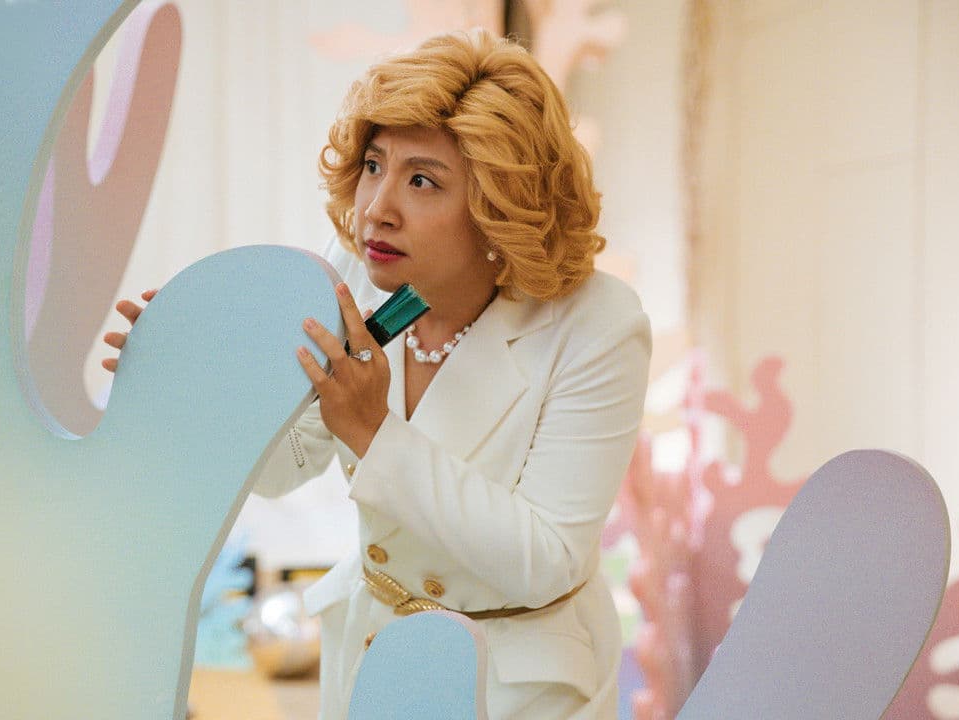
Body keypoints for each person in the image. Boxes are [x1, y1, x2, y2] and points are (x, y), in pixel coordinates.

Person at [104, 29, 650, 720]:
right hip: (370, 652)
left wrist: (372, 433)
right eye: (372, 165)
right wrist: (195, 388)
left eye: (421, 180)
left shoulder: (597, 323)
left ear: (499, 205)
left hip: (517, 683)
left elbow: (546, 560)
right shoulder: (363, 273)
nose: (375, 209)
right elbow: (285, 467)